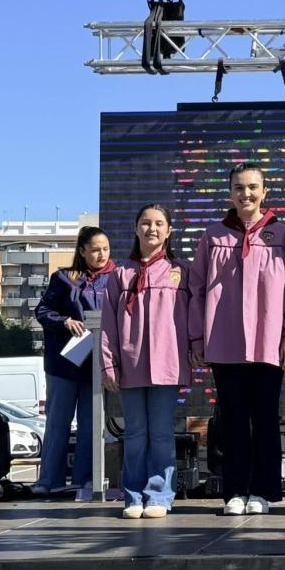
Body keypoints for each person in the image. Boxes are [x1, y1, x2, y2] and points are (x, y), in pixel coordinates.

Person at [189, 163, 285, 516]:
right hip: (224, 345)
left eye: (253, 187)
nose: (247, 194)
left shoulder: (281, 236)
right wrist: (197, 339)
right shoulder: (212, 237)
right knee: (232, 421)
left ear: (264, 191)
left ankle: (264, 490)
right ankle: (235, 491)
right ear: (230, 194)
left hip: (268, 345)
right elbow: (196, 291)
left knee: (266, 419)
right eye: (239, 188)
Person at [100, 204, 191, 520]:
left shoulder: (180, 271)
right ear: (136, 228)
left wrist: (195, 348)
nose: (152, 228)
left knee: (162, 433)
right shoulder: (121, 274)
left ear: (169, 231)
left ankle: (160, 495)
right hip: (131, 363)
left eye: (159, 223)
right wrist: (108, 364)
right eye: (145, 223)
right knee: (135, 433)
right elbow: (109, 323)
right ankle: (133, 495)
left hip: (167, 363)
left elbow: (191, 318)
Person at [32, 226, 116, 499]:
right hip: (66, 361)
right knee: (58, 422)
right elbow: (42, 310)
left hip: (97, 362)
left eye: (105, 249)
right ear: (82, 251)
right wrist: (64, 321)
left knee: (92, 425)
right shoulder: (64, 278)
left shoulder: (117, 278)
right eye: (95, 250)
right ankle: (49, 480)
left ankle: (86, 481)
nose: (101, 255)